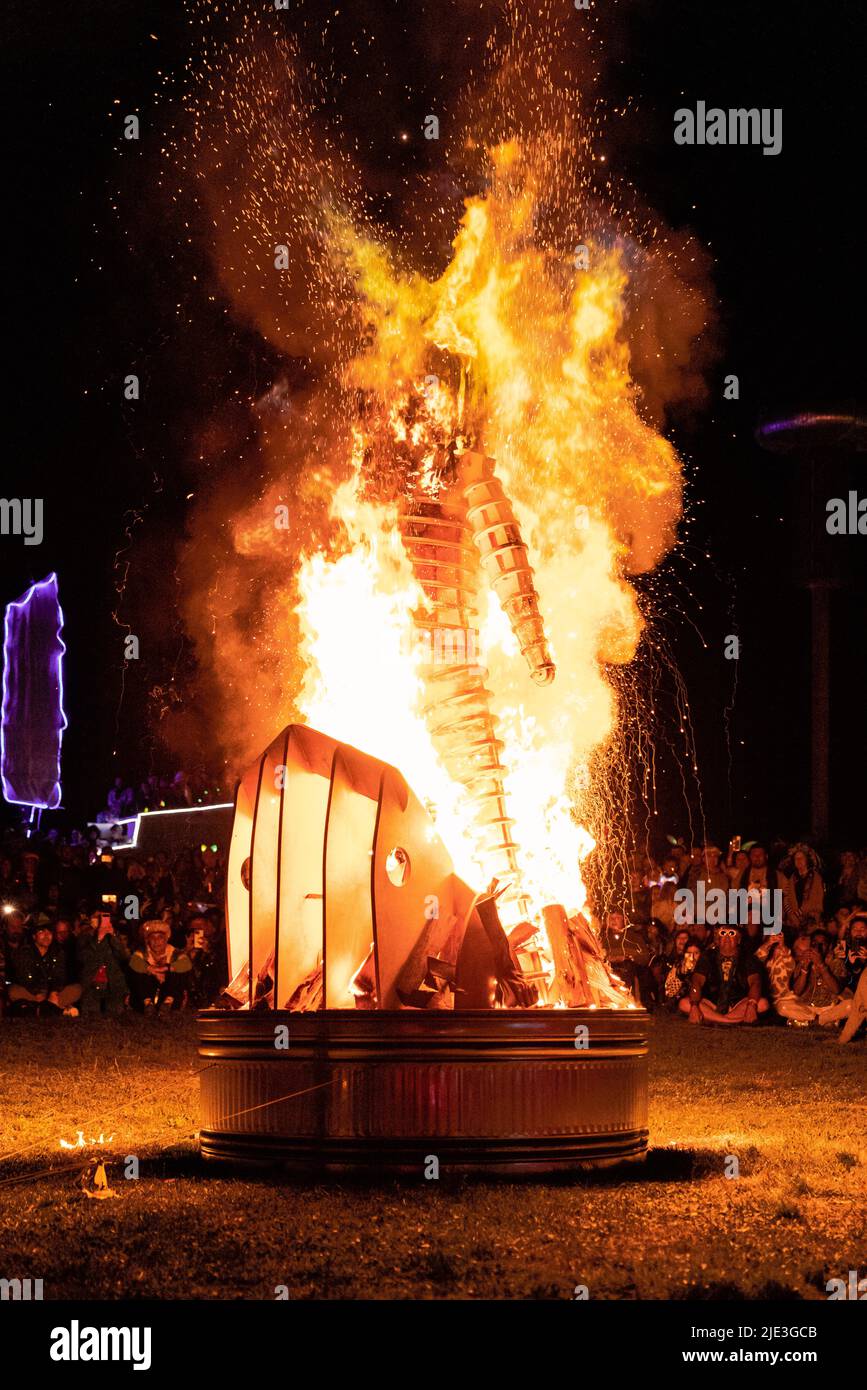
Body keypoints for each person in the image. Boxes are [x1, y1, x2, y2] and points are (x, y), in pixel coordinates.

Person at [679, 924, 769, 1025]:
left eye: (731, 933)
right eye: (723, 933)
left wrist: (752, 1005)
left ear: (738, 939)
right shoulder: (707, 956)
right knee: (684, 1004)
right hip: (712, 1004)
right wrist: (695, 1005)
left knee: (762, 1004)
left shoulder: (748, 957)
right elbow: (697, 981)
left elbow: (755, 982)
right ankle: (728, 1021)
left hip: (738, 1004)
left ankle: (715, 1019)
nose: (727, 937)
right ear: (718, 939)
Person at [769, 931, 852, 1028]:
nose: (817, 947)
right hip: (807, 1009)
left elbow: (836, 989)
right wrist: (805, 969)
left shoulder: (837, 963)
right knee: (781, 1006)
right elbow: (797, 991)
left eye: (822, 944)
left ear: (829, 947)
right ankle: (822, 1021)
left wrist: (821, 965)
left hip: (829, 1008)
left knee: (850, 1005)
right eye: (814, 944)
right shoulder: (803, 961)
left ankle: (810, 1021)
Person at [7, 920, 82, 1017]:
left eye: (49, 932)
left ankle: (39, 1009)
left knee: (76, 989)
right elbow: (25, 977)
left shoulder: (58, 952)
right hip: (32, 993)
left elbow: (59, 975)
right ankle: (58, 1011)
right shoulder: (24, 953)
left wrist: (54, 992)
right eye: (41, 932)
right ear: (34, 936)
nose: (46, 936)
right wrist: (37, 992)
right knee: (13, 991)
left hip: (51, 994)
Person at [129, 920, 192, 1015]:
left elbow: (186, 963)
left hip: (169, 989)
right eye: (152, 938)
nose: (156, 941)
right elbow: (134, 962)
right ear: (147, 940)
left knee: (177, 972)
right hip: (149, 989)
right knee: (139, 973)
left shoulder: (174, 952)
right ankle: (147, 1004)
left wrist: (165, 969)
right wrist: (152, 970)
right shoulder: (143, 952)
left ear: (166, 939)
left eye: (160, 937)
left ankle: (168, 1003)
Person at [77, 912, 129, 1016]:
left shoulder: (114, 936)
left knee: (115, 1013)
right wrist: (99, 938)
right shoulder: (85, 936)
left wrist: (112, 936)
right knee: (90, 1013)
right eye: (98, 917)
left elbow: (123, 956)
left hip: (112, 982)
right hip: (92, 982)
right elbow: (83, 958)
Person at [780, 844, 825, 932]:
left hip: (810, 919)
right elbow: (786, 897)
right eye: (796, 859)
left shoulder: (815, 877)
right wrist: (791, 914)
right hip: (793, 920)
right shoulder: (792, 878)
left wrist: (797, 914)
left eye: (801, 858)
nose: (798, 861)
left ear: (807, 860)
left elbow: (814, 900)